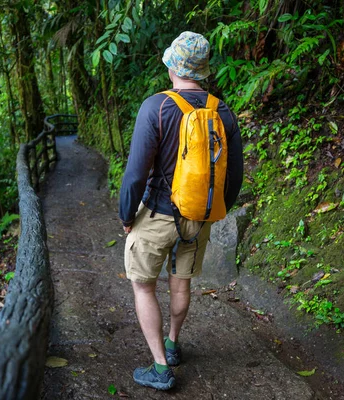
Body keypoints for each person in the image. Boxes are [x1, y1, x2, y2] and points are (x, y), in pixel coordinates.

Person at [119, 31, 243, 390]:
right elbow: (233, 177)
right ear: (203, 71)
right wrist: (211, 213)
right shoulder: (222, 111)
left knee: (143, 286)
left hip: (157, 215)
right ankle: (173, 343)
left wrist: (128, 216)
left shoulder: (155, 107)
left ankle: (160, 368)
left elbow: (135, 175)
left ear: (173, 67)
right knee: (180, 282)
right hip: (197, 217)